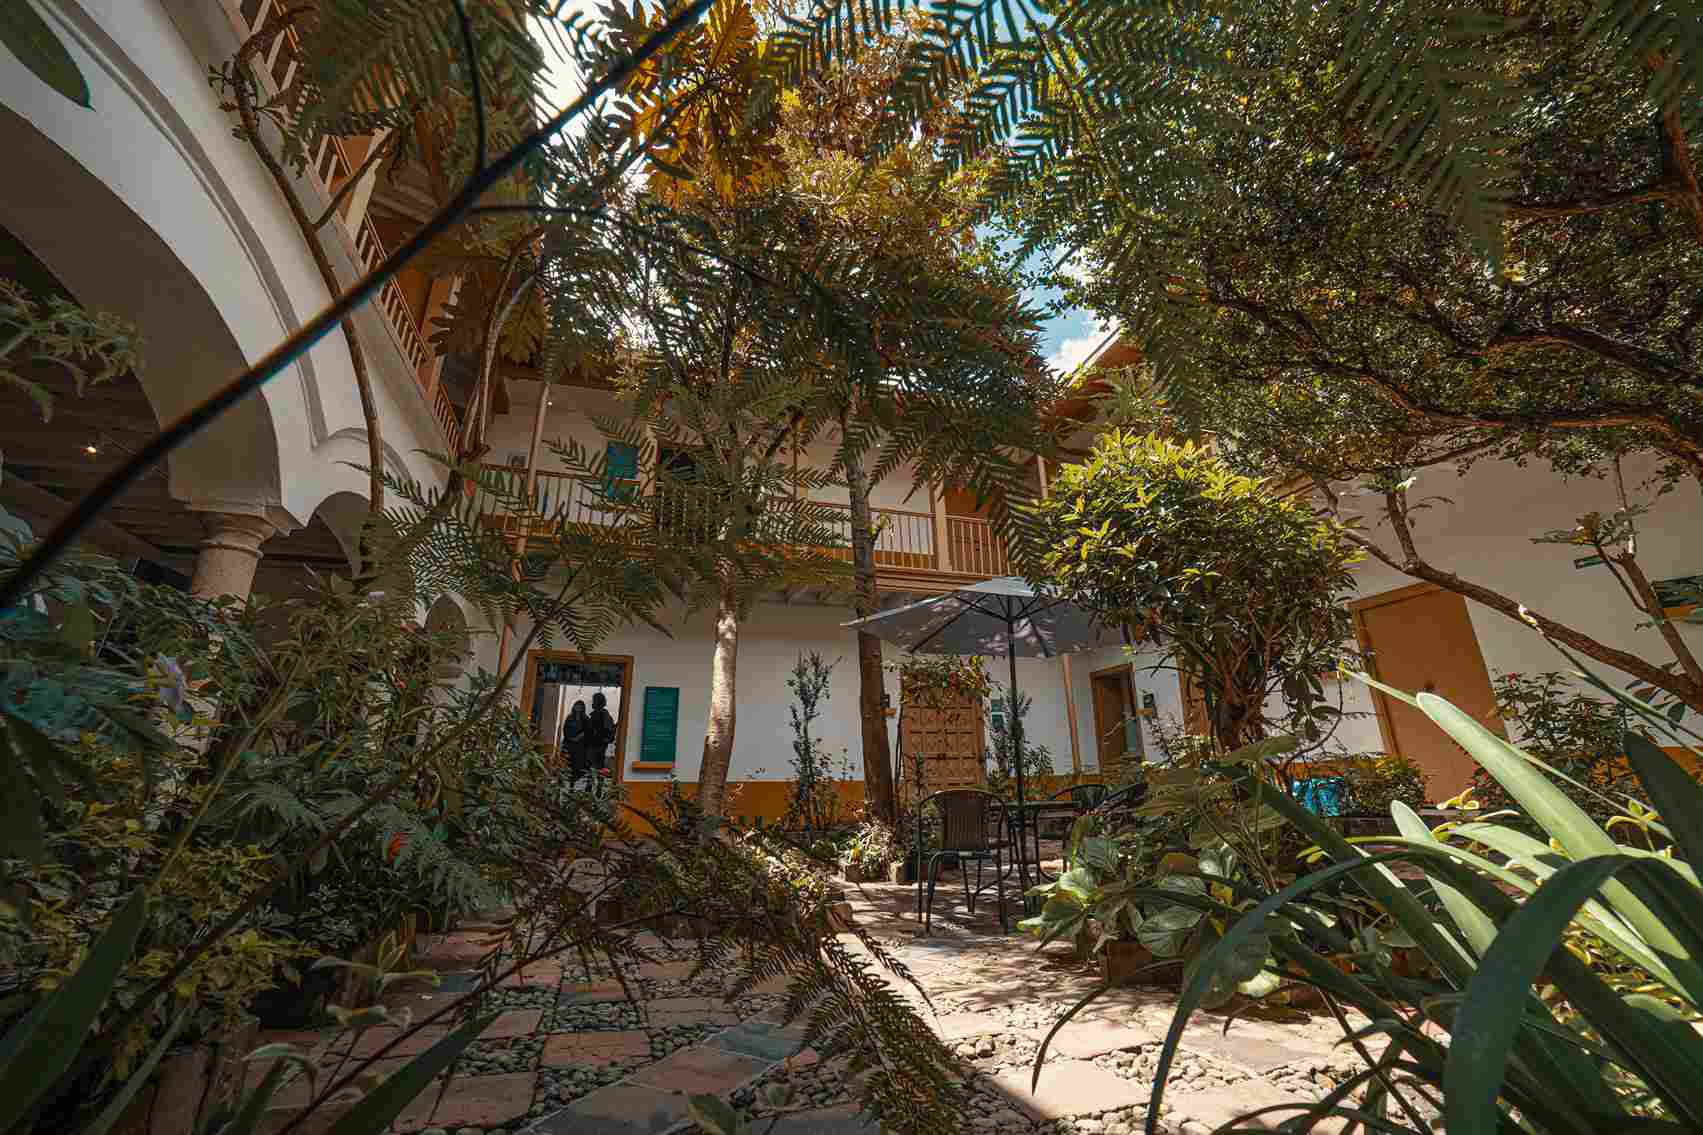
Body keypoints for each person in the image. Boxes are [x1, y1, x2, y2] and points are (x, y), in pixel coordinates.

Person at [561, 700, 591, 785]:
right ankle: (565, 780)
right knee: (567, 762)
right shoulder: (569, 717)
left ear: (583, 708)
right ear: (574, 706)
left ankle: (575, 780)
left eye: (580, 706)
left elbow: (587, 731)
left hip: (579, 746)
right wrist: (570, 738)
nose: (578, 707)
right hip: (569, 743)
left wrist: (578, 737)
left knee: (577, 763)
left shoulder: (585, 718)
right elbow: (565, 729)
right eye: (577, 705)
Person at [588, 691, 617, 773]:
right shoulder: (600, 713)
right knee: (596, 764)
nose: (593, 702)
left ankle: (595, 779)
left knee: (595, 764)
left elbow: (607, 728)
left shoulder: (603, 714)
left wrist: (603, 738)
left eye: (594, 700)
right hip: (597, 742)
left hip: (598, 743)